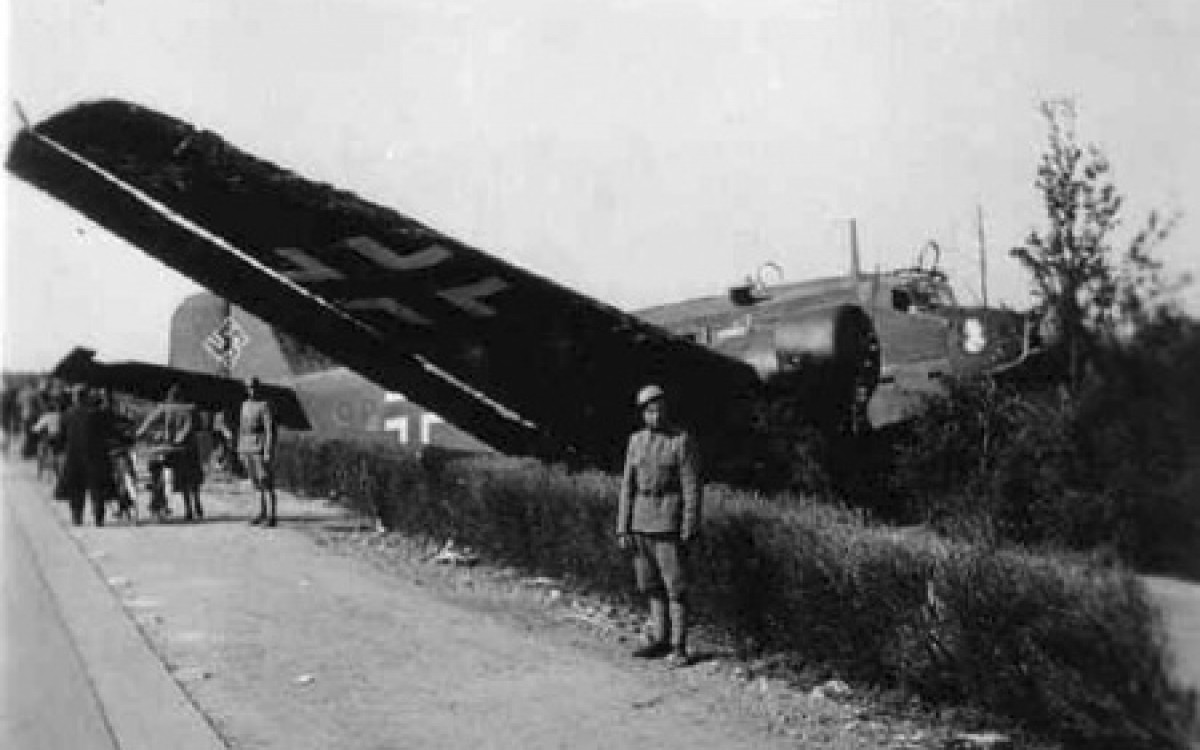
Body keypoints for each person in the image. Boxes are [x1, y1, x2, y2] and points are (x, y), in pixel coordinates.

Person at [616, 384, 703, 667]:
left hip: (668, 524)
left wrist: (689, 526)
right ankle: (659, 638)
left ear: (667, 411)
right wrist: (623, 527)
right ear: (642, 414)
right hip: (641, 523)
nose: (654, 416)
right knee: (649, 585)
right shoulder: (635, 442)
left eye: (659, 410)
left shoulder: (680, 441)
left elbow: (692, 488)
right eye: (649, 411)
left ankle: (679, 646)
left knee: (675, 587)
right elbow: (627, 487)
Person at [136, 383, 204, 521]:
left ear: (169, 396)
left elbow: (148, 423)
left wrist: (139, 433)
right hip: (189, 448)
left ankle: (184, 508)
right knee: (192, 478)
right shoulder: (192, 408)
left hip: (170, 448)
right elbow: (200, 426)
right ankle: (196, 502)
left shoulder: (164, 408)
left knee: (164, 474)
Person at [58, 387, 119, 526]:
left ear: (75, 398)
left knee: (75, 489)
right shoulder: (97, 413)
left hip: (73, 457)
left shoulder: (67, 414)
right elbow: (108, 432)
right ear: (86, 397)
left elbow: (61, 437)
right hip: (95, 457)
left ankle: (77, 518)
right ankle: (98, 519)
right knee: (97, 488)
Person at [237, 378, 279, 527]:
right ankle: (260, 512)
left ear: (259, 388)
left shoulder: (264, 405)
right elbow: (241, 428)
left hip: (259, 447)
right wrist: (239, 448)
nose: (252, 390)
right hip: (247, 446)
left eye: (254, 388)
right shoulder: (244, 405)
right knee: (255, 483)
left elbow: (270, 430)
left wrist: (268, 450)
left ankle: (272, 516)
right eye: (249, 388)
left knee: (265, 481)